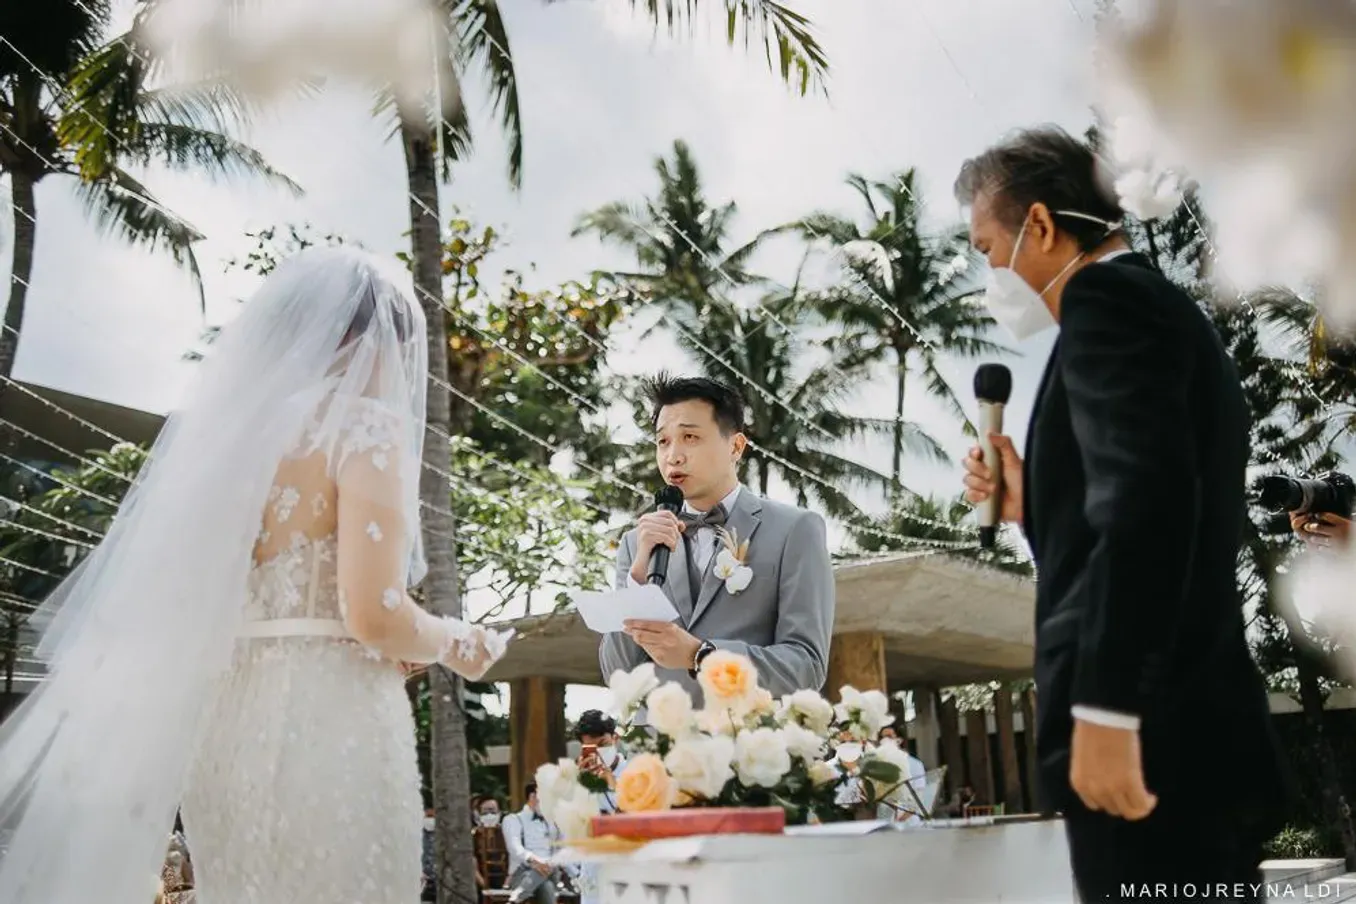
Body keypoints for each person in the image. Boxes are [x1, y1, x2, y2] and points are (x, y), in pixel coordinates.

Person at [0, 248, 512, 904]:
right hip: (332, 722)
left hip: (227, 725)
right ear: (362, 342)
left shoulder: (231, 440)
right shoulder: (363, 426)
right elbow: (375, 615)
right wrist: (455, 642)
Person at [956, 126, 1286, 900]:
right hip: (1187, 728)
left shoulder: (1105, 300)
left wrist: (1109, 706)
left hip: (1152, 735)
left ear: (1039, 225)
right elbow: (1155, 495)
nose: (989, 271)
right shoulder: (1157, 309)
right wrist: (1036, 501)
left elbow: (1148, 501)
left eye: (985, 246)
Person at [600, 374, 835, 699]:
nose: (673, 456)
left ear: (736, 446)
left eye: (690, 437)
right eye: (663, 441)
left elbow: (806, 666)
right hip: (663, 745)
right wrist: (637, 578)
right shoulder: (636, 543)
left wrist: (701, 655)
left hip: (753, 742)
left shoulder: (795, 530)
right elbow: (619, 675)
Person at [573, 710, 626, 904]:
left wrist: (609, 780)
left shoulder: (635, 773)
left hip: (628, 867)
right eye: (591, 747)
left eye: (603, 745)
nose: (599, 752)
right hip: (593, 868)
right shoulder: (580, 778)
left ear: (615, 738)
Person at [502, 783, 570, 904]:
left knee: (545, 870)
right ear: (532, 797)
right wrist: (534, 861)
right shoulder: (512, 819)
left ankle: (515, 899)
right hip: (521, 873)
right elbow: (514, 848)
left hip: (551, 871)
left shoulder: (553, 822)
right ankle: (517, 897)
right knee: (547, 886)